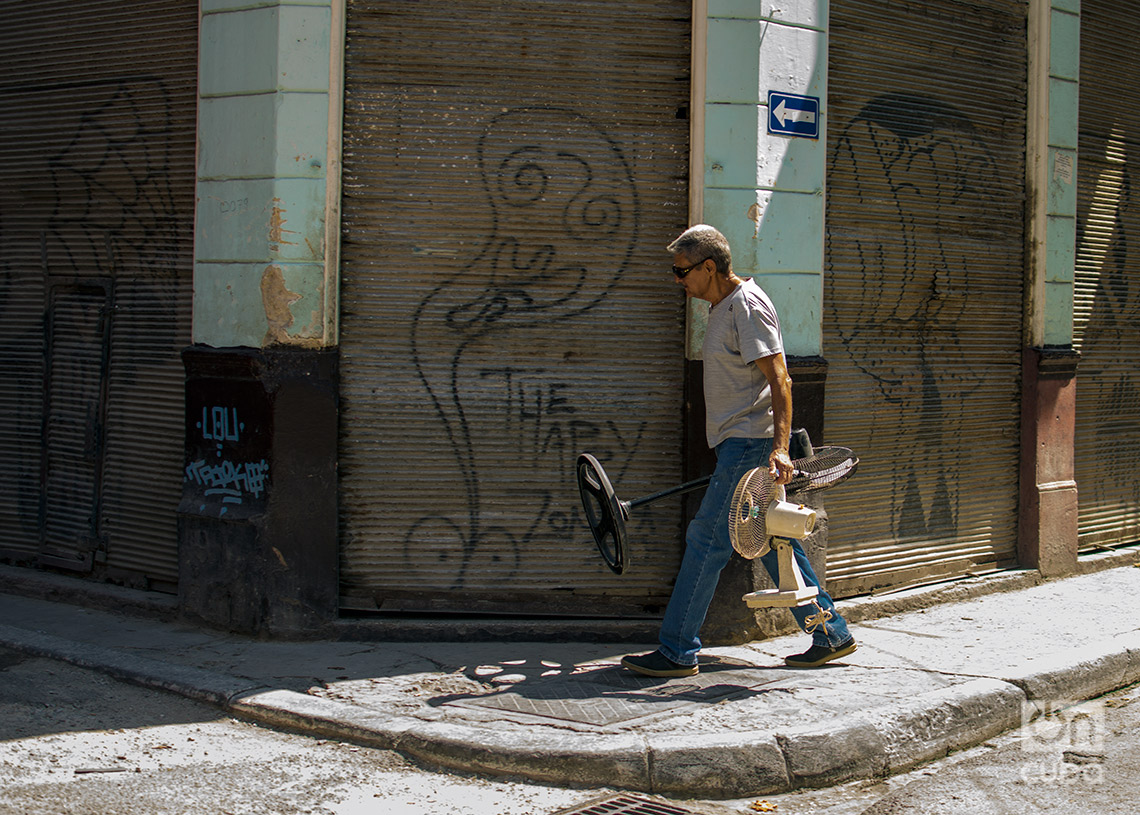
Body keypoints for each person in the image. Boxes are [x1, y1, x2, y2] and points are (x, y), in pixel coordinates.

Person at [621, 225, 856, 677]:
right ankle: (830, 632)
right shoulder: (722, 306)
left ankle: (676, 649)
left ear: (709, 266)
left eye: (682, 271)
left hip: (750, 444)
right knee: (770, 540)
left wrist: (780, 449)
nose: (677, 280)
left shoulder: (746, 306)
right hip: (739, 442)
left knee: (706, 540)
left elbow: (782, 380)